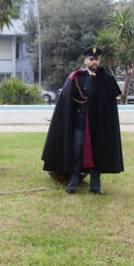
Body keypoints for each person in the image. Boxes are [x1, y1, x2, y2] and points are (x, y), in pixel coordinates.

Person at [42, 46, 124, 194]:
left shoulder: (106, 78)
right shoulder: (76, 77)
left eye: (96, 59)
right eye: (91, 59)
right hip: (80, 122)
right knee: (77, 151)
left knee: (97, 153)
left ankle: (95, 186)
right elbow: (66, 100)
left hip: (99, 124)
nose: (94, 62)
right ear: (85, 60)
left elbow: (112, 102)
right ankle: (73, 183)